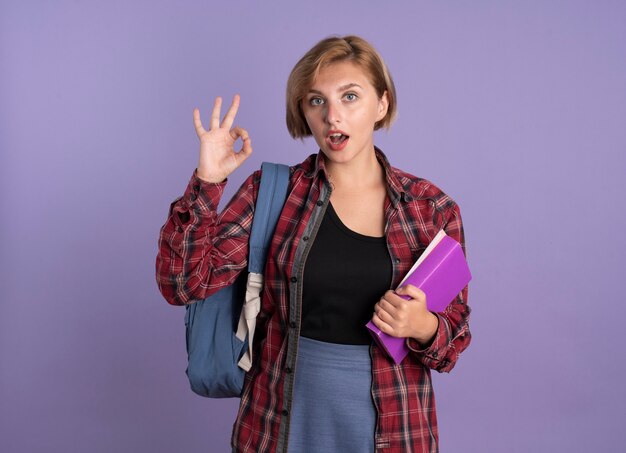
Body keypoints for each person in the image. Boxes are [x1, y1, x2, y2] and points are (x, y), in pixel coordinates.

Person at [156, 35, 471, 453]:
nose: (333, 116)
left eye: (350, 97)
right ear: (303, 112)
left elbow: (453, 337)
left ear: (381, 104)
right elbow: (182, 285)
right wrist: (208, 182)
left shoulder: (431, 208)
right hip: (281, 421)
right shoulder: (273, 193)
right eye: (316, 101)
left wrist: (423, 327)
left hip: (393, 428)